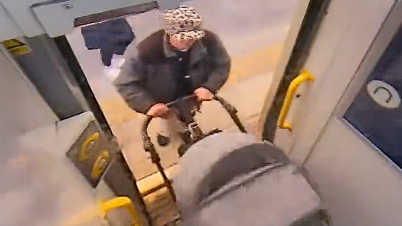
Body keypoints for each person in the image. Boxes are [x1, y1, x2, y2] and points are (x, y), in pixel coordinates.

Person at [114, 6, 231, 147]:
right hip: (162, 98)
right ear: (169, 34)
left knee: (186, 114)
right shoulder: (145, 51)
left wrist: (210, 87)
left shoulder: (209, 41)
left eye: (192, 38)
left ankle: (184, 130)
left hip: (192, 91)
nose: (189, 42)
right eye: (183, 39)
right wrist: (148, 106)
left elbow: (222, 64)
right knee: (166, 116)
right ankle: (164, 132)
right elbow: (125, 84)